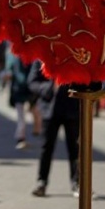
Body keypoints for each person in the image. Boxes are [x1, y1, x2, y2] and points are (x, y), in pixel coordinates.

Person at [28, 60, 80, 197]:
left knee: (75, 148)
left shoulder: (74, 54)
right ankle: (42, 182)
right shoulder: (42, 57)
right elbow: (32, 83)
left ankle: (77, 183)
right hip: (49, 110)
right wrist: (51, 87)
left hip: (72, 109)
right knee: (46, 148)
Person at [4, 48, 38, 149]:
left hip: (27, 90)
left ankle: (33, 131)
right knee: (22, 117)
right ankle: (21, 137)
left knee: (29, 113)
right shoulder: (14, 57)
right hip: (20, 90)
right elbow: (10, 72)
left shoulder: (31, 58)